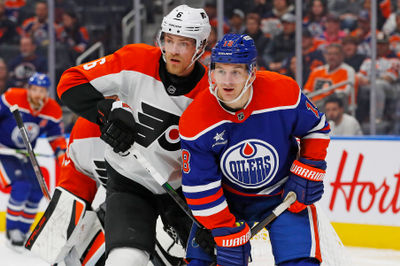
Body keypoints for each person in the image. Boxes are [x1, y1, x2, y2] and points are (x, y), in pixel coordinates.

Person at [56, 5, 211, 265]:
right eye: (168, 40)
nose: (172, 50)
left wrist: (213, 220)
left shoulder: (210, 93)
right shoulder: (135, 59)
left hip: (185, 190)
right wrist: (105, 112)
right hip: (130, 182)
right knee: (125, 259)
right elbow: (70, 82)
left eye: (183, 44)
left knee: (210, 257)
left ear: (201, 46)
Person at [179, 34, 330, 266]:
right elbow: (200, 186)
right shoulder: (196, 119)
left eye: (236, 72)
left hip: (282, 197)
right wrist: (223, 228)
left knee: (301, 263)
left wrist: (309, 168)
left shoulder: (283, 92)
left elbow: (317, 127)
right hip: (228, 203)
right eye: (220, 71)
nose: (227, 81)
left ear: (252, 71)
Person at [27, 116, 188, 266]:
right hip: (124, 205)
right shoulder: (85, 132)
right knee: (85, 252)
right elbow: (74, 188)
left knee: (178, 246)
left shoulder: (159, 105)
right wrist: (57, 235)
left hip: (177, 199)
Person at [0, 72, 66, 252]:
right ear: (28, 89)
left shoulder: (52, 110)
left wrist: (61, 153)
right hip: (3, 151)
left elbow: (56, 137)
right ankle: (12, 231)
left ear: (47, 92)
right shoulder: (12, 97)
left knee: (37, 191)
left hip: (26, 154)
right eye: (35, 89)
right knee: (21, 186)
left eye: (42, 90)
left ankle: (23, 232)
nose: (38, 94)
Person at [304, 43, 356, 108]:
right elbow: (307, 91)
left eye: (335, 54)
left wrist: (316, 104)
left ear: (342, 56)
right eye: (329, 54)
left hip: (337, 109)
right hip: (314, 107)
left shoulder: (348, 71)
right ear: (325, 55)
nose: (331, 57)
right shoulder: (317, 71)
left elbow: (342, 94)